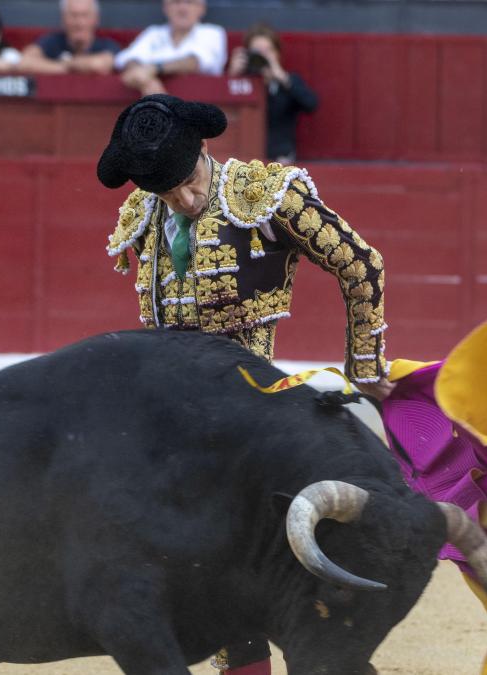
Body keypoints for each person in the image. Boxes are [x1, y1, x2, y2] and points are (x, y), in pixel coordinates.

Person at [99, 95, 393, 674]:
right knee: (199, 569)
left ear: (204, 150)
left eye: (187, 182)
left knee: (275, 557)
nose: (184, 200)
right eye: (168, 194)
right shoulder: (143, 213)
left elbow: (361, 264)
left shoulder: (264, 196)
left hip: (254, 415)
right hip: (175, 428)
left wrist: (365, 362)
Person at [226, 24, 318, 164]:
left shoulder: (287, 82)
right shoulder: (240, 82)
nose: (263, 57)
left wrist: (281, 76)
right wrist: (232, 76)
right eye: (257, 52)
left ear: (277, 54)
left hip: (280, 158)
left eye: (268, 51)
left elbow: (311, 104)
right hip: (243, 159)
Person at [114, 0, 226, 95]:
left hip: (201, 107)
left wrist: (153, 69)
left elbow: (195, 62)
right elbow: (127, 58)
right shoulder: (153, 33)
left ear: (202, 8)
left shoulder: (212, 33)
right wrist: (144, 78)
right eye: (176, 2)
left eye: (189, 2)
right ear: (165, 7)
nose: (182, 8)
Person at [17, 0, 120, 75]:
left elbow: (99, 65)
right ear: (63, 19)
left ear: (96, 19)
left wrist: (63, 65)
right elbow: (24, 62)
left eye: (85, 15)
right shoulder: (52, 41)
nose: (79, 23)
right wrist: (67, 67)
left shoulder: (107, 44)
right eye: (73, 15)